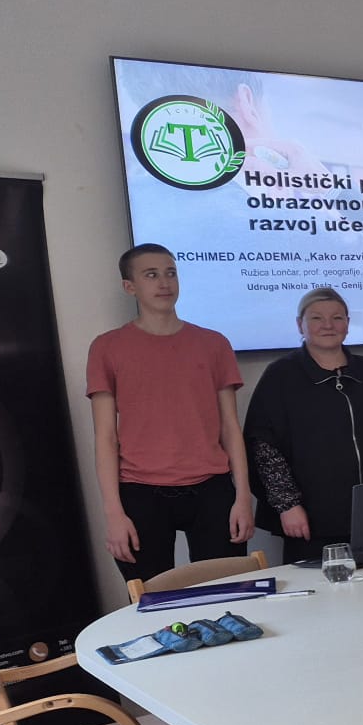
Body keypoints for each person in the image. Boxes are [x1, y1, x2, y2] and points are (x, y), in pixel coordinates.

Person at [87, 243, 255, 582]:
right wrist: (114, 513)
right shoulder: (107, 347)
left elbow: (230, 427)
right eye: (151, 275)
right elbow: (105, 436)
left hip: (211, 487)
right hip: (140, 489)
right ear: (130, 286)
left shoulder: (213, 343)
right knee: (152, 598)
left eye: (171, 273)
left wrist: (242, 497)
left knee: (227, 592)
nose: (164, 283)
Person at [243, 287, 363, 564]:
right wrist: (287, 505)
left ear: (348, 324)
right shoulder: (281, 377)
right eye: (316, 318)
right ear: (300, 325)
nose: (328, 325)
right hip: (312, 521)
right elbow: (265, 448)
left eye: (337, 318)